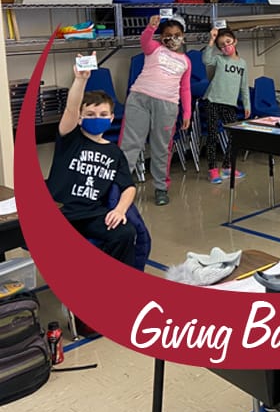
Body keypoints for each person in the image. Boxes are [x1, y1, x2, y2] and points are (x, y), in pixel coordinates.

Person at [47, 56, 137, 267]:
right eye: (90, 114)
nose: (97, 117)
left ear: (111, 118)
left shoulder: (114, 153)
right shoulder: (70, 138)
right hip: (60, 213)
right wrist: (80, 80)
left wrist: (120, 210)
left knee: (125, 233)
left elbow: (129, 187)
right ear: (80, 118)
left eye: (103, 114)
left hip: (92, 214)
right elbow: (71, 108)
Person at [120, 15, 191, 206]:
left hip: (168, 105)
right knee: (130, 144)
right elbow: (144, 41)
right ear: (161, 37)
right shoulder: (154, 48)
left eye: (177, 35)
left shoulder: (185, 61)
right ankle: (119, 187)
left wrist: (187, 113)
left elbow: (185, 88)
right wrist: (150, 27)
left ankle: (161, 188)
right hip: (140, 99)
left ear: (183, 36)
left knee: (162, 148)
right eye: (168, 35)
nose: (173, 39)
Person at [203, 27, 250, 184]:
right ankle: (212, 169)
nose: (226, 47)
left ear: (235, 41)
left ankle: (227, 166)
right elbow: (206, 60)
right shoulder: (219, 59)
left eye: (228, 42)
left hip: (230, 104)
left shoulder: (242, 63)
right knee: (212, 135)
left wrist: (247, 104)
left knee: (234, 134)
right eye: (221, 45)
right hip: (213, 101)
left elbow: (244, 86)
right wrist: (211, 40)